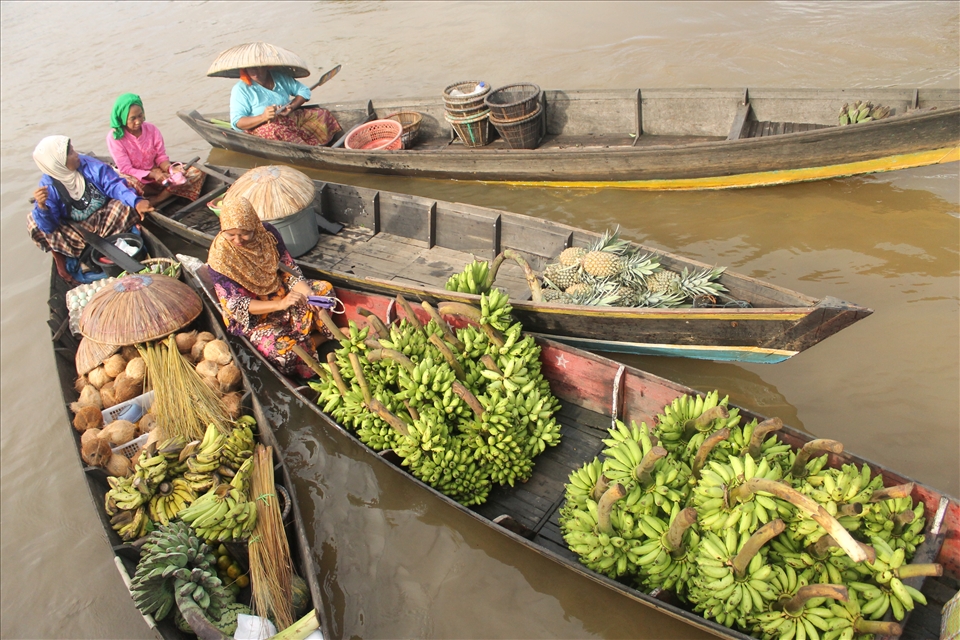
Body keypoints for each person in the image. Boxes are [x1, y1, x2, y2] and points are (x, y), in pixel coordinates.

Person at [207, 196, 334, 378]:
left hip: (282, 293)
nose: (238, 240)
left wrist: (308, 294)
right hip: (256, 319)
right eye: (230, 234)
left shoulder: (267, 234)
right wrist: (279, 305)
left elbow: (288, 269)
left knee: (324, 292)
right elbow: (236, 305)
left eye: (244, 233)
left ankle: (307, 340)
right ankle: (317, 339)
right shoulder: (220, 258)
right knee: (284, 354)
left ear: (254, 225)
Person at [29, 135, 154, 284]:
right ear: (58, 163)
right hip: (78, 229)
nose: (77, 155)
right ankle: (76, 253)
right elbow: (49, 227)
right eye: (70, 153)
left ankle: (104, 244)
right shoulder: (48, 186)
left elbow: (113, 185)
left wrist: (136, 202)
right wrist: (42, 207)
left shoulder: (89, 165)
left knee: (127, 199)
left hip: (105, 216)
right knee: (34, 222)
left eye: (74, 150)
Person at [106, 93, 205, 206]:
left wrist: (170, 170)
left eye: (140, 115)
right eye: (132, 118)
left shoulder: (151, 129)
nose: (138, 121)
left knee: (196, 172)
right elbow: (126, 169)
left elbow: (160, 156)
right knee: (127, 184)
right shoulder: (115, 138)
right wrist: (153, 175)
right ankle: (170, 191)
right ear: (123, 119)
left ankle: (159, 198)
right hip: (138, 178)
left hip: (158, 172)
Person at [230, 66, 341, 146]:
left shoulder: (279, 77)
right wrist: (263, 117)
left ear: (266, 66)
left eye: (258, 67)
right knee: (274, 130)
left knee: (321, 114)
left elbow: (304, 91)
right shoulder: (240, 89)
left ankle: (322, 143)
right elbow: (237, 123)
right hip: (262, 127)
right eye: (250, 68)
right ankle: (307, 149)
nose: (255, 73)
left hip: (287, 118)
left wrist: (292, 106)